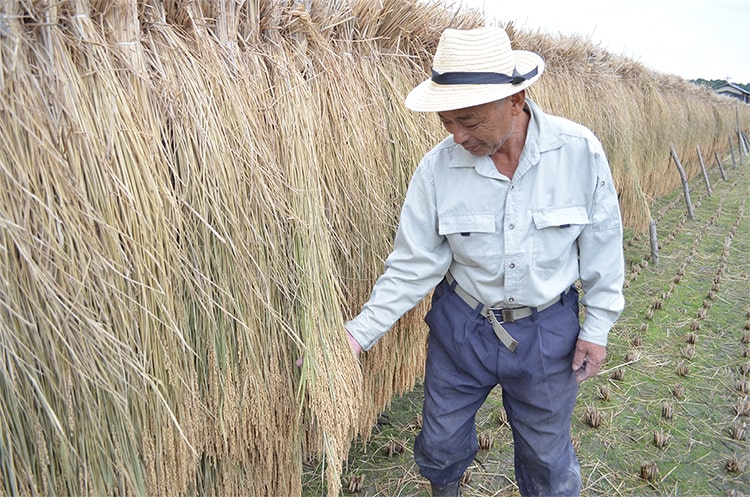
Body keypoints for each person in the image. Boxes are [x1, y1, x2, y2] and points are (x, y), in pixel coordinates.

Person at [344, 26, 625, 497]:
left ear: (515, 100)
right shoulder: (437, 169)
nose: (457, 136)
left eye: (470, 121)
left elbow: (602, 249)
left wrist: (596, 330)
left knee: (547, 461)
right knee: (440, 443)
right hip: (462, 328)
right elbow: (413, 264)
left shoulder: (578, 153)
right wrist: (357, 334)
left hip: (546, 333)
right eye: (447, 122)